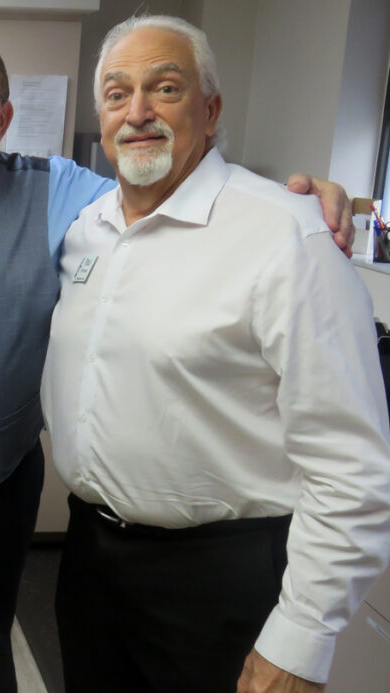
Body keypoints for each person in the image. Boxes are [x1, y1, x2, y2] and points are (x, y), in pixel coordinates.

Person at [0, 27, 356, 693]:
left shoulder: (69, 195)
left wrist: (300, 198)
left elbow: (172, 180)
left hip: (0, 485)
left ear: (5, 117)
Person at [40, 14, 390, 693]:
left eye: (164, 88)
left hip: (218, 582)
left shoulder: (286, 236)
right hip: (90, 566)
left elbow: (353, 468)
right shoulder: (89, 227)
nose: (137, 111)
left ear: (211, 108)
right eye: (117, 94)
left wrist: (301, 640)